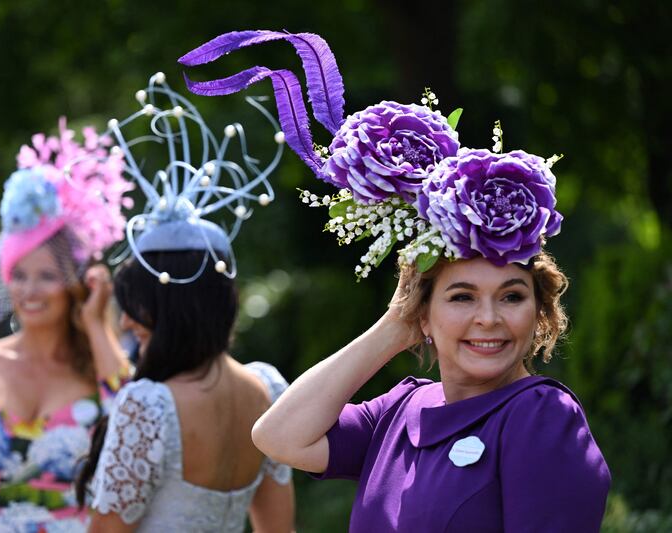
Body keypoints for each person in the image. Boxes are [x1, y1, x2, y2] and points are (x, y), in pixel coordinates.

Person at [182, 30, 611, 531]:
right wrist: (394, 326)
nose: (488, 318)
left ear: (539, 311)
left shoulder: (540, 416)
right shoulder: (401, 408)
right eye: (461, 296)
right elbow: (279, 436)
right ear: (422, 311)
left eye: (511, 296)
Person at [74, 73, 295, 532]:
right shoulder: (268, 390)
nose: (131, 323)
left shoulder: (147, 406)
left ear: (170, 309)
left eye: (140, 307)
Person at [0, 118, 135, 533]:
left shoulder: (102, 369)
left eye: (48, 276)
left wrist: (96, 323)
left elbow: (135, 431)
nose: (30, 290)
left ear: (75, 283)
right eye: (19, 274)